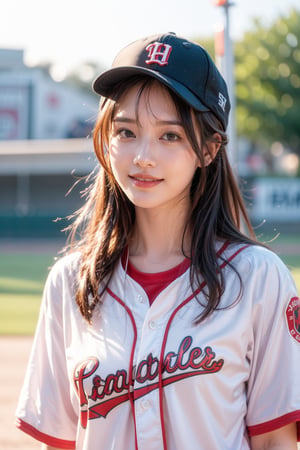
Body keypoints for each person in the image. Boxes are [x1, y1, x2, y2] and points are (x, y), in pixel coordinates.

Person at [15, 32, 300, 450]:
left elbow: (275, 441)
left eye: (170, 136)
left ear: (208, 148)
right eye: (126, 131)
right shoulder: (70, 281)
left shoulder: (258, 279)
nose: (142, 156)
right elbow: (59, 442)